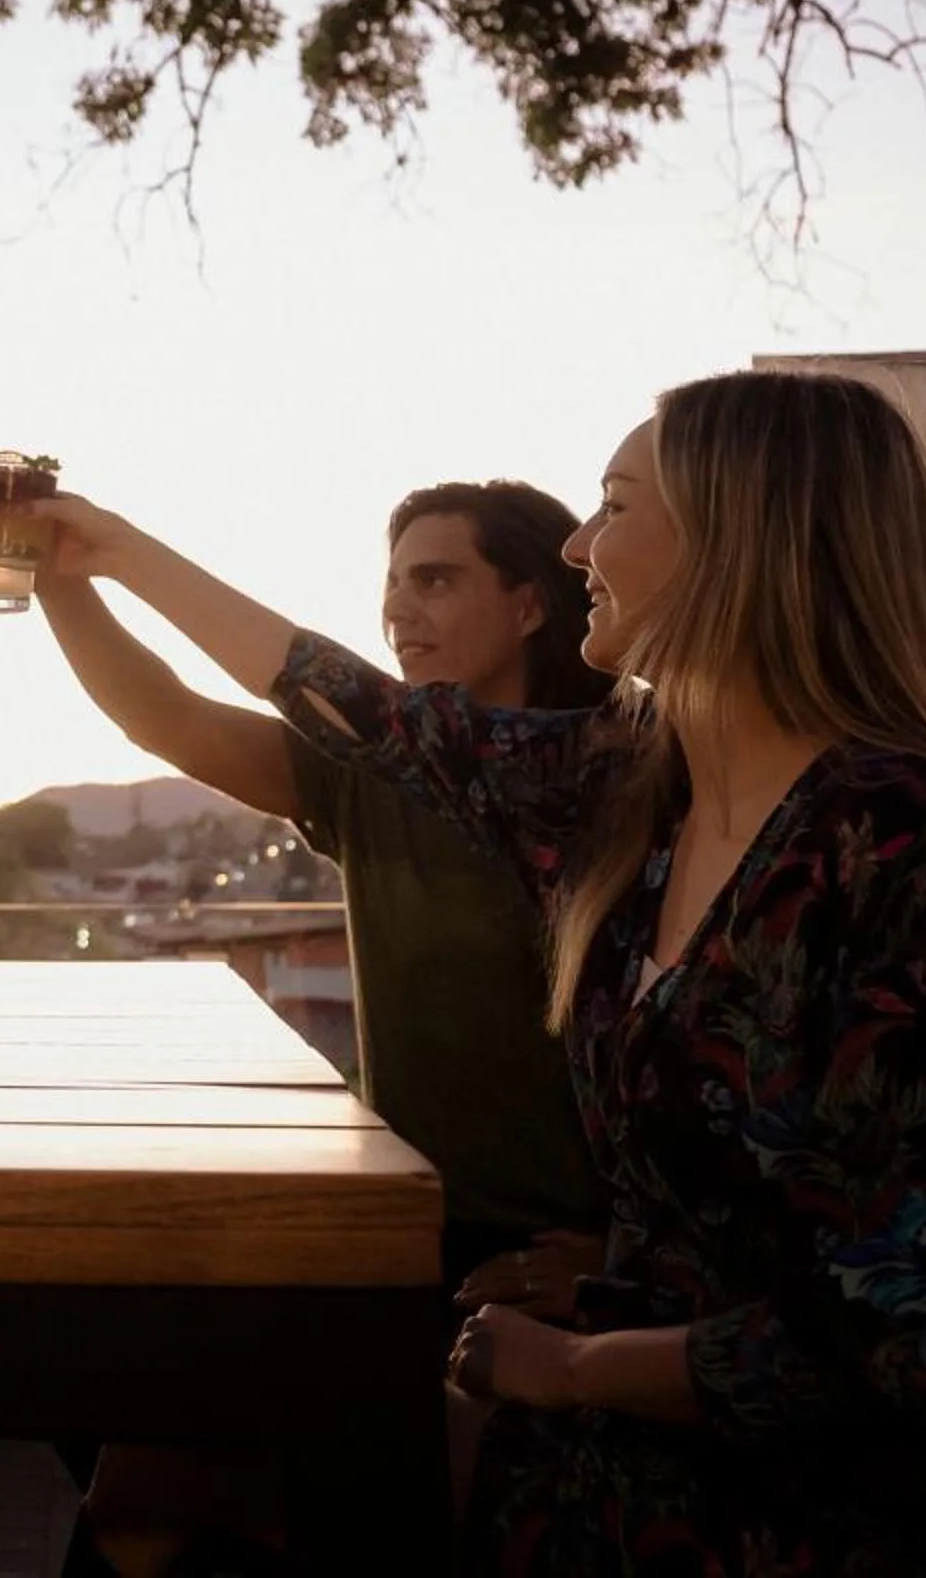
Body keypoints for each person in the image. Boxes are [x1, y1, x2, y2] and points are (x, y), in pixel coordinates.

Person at [27, 371, 926, 1573]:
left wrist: (584, 1361)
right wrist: (105, 553)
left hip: (829, 1501)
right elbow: (359, 707)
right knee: (166, 1449)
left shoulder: (906, 846)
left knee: (193, 1470)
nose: (581, 543)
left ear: (737, 542)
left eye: (615, 506)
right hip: (644, 1401)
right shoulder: (635, 791)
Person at [41, 482, 612, 1277]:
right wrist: (53, 580)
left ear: (529, 608)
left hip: (560, 1256)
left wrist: (629, 1260)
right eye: (394, 582)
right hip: (402, 1225)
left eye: (436, 580)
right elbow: (164, 717)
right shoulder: (369, 777)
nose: (399, 610)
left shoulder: (607, 774)